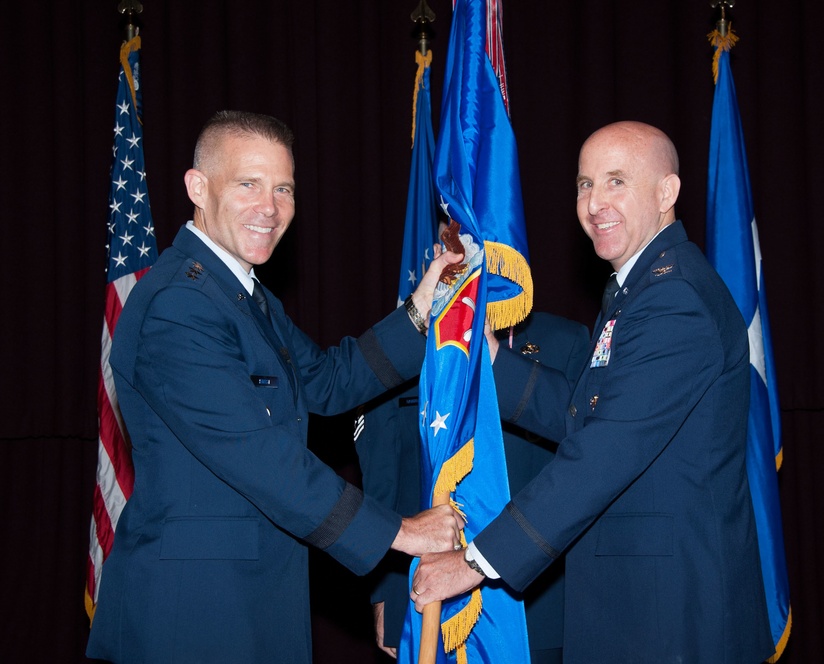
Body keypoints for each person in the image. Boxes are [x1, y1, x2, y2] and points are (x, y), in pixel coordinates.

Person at [86, 110, 464, 664]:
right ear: (198, 187)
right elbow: (261, 456)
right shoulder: (179, 305)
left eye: (283, 188)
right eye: (248, 185)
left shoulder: (242, 296)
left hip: (254, 601)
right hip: (193, 617)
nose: (270, 208)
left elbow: (329, 381)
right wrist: (402, 532)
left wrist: (420, 310)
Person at [409, 121, 773, 663]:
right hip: (637, 599)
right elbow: (585, 414)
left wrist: (474, 563)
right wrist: (491, 361)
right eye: (585, 185)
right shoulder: (639, 288)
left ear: (666, 193)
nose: (595, 202)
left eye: (616, 181)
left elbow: (603, 453)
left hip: (671, 612)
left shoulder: (675, 299)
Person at [355, 311, 591, 662]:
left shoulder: (567, 340)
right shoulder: (405, 341)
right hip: (427, 597)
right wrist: (386, 600)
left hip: (534, 609)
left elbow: (582, 473)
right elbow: (385, 479)